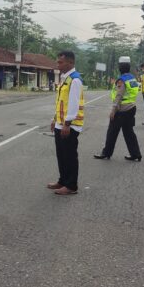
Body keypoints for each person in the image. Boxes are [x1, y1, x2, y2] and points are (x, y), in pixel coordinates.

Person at [47, 51, 84, 195]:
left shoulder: (75, 80)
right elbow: (61, 102)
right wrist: (55, 119)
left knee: (69, 156)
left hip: (70, 125)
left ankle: (71, 186)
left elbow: (73, 105)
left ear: (70, 63)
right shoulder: (65, 79)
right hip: (60, 123)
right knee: (61, 155)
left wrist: (67, 124)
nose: (58, 64)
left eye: (60, 62)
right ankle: (62, 181)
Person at [94, 56, 142, 161]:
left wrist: (113, 111)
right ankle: (136, 154)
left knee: (112, 132)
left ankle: (106, 153)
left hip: (121, 110)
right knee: (129, 132)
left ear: (120, 67)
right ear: (129, 67)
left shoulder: (121, 80)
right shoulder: (132, 78)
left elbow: (119, 96)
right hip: (131, 108)